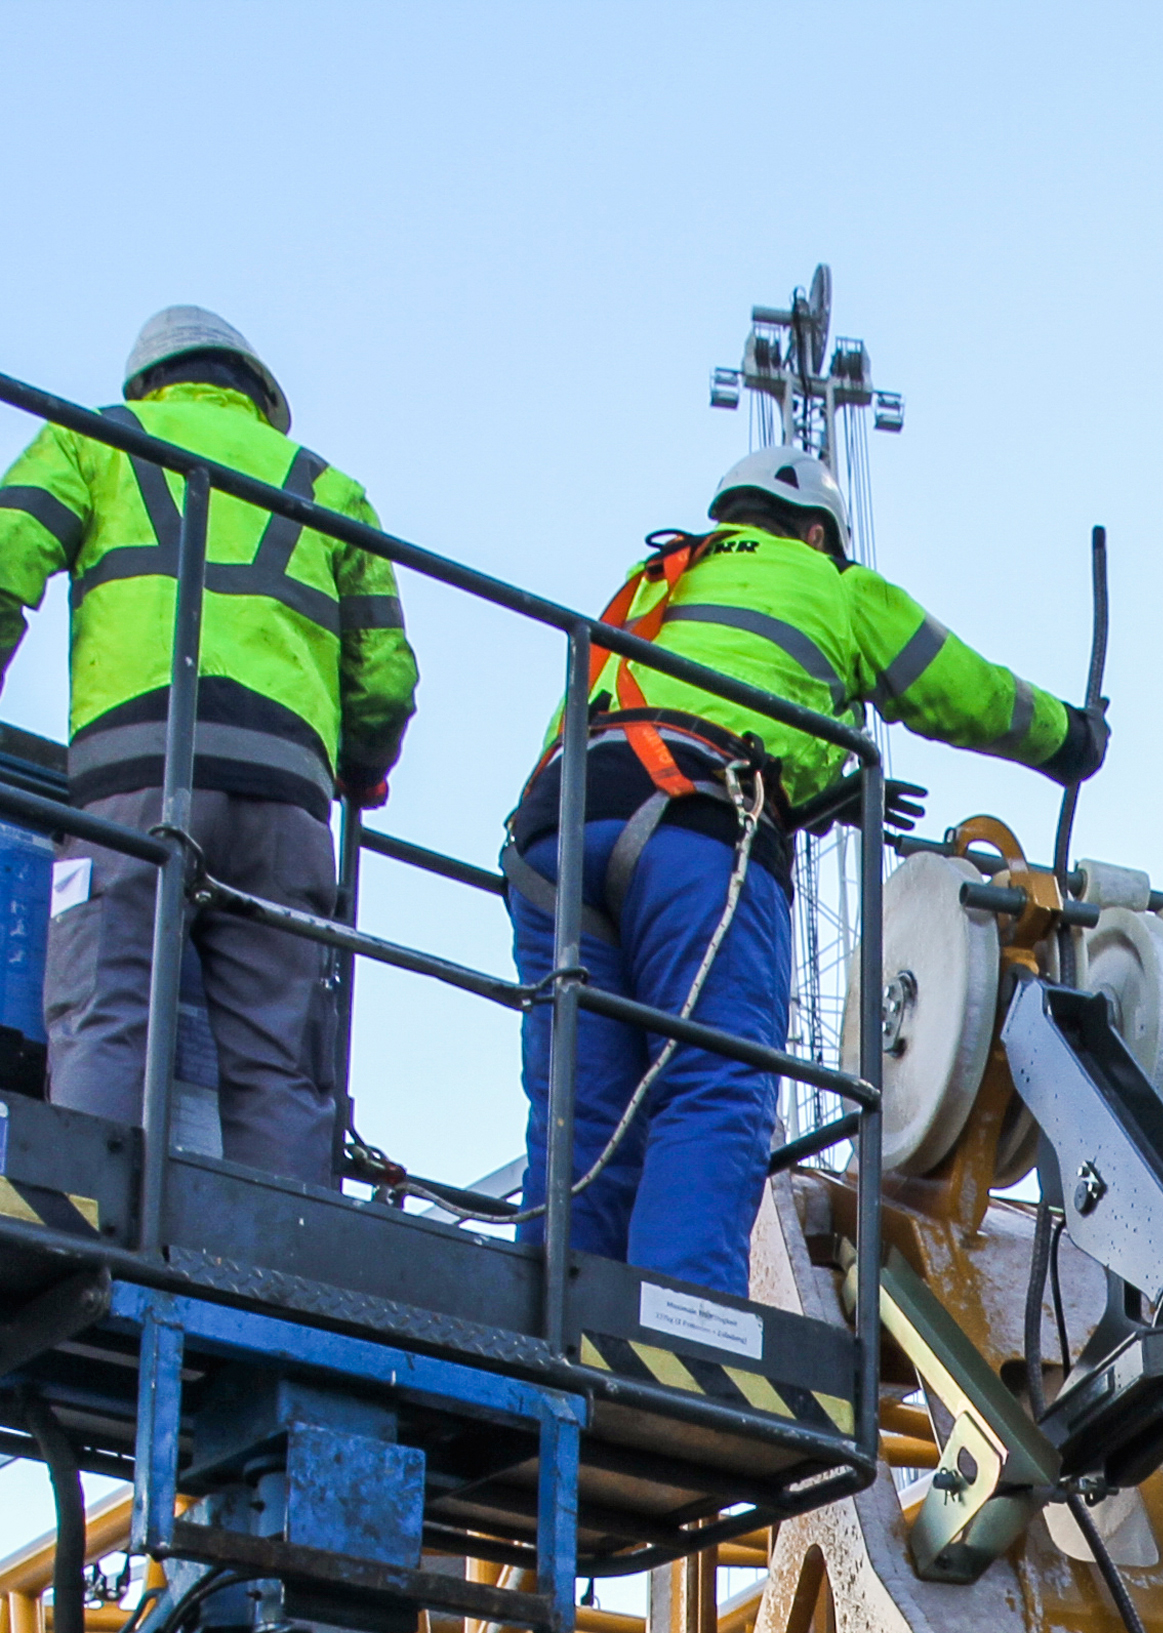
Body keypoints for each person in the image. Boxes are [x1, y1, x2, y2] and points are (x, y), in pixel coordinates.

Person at [504, 443, 1107, 1298]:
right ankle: (683, 1338)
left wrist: (827, 785)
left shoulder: (661, 579)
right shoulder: (832, 582)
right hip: (699, 830)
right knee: (711, 1084)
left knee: (584, 1114)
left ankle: (550, 1325)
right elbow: (957, 685)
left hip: (556, 837)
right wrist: (1069, 738)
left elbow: (706, 695)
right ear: (819, 530)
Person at [0, 307, 418, 1191]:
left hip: (129, 781)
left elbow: (5, 558)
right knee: (281, 1059)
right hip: (286, 804)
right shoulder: (328, 488)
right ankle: (284, 1265)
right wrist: (363, 769)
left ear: (149, 381)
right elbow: (384, 679)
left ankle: (80, 1217)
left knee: (105, 1010)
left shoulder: (94, 440)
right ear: (261, 396)